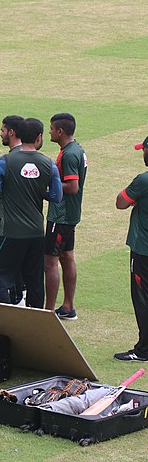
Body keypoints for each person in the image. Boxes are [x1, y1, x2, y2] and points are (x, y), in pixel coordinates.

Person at [0, 118, 62, 308]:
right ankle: (34, 324)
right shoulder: (49, 164)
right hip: (36, 233)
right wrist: (36, 189)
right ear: (39, 137)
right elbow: (57, 196)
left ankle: (5, 322)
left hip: (10, 233)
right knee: (34, 281)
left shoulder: (5, 162)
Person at [44, 113, 87, 320]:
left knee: (50, 260)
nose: (49, 131)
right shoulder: (75, 149)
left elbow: (72, 186)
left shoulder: (70, 154)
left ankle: (48, 312)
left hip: (61, 215)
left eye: (51, 128)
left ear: (60, 131)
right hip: (69, 214)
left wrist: (45, 187)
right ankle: (68, 307)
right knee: (66, 256)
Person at [113, 136, 148, 361]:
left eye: (144, 151)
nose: (142, 155)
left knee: (143, 299)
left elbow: (121, 202)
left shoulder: (143, 180)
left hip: (143, 250)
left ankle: (144, 350)